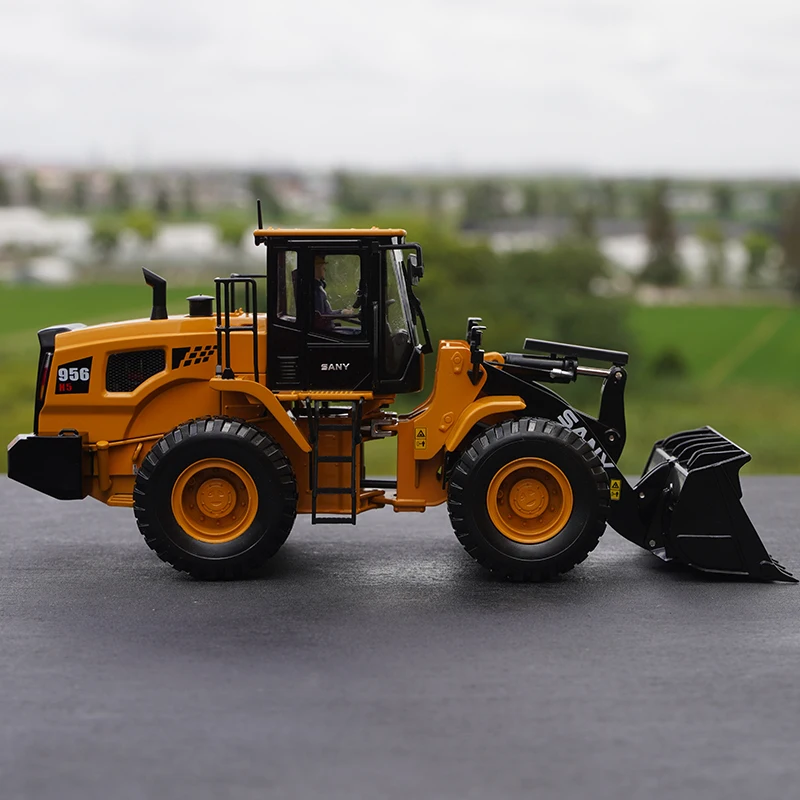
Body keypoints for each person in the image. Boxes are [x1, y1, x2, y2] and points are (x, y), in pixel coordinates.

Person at [313, 255, 357, 331]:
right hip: (326, 331)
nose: (325, 269)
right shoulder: (316, 291)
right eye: (322, 267)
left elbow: (325, 314)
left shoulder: (318, 287)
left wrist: (341, 312)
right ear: (315, 268)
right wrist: (342, 313)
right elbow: (321, 316)